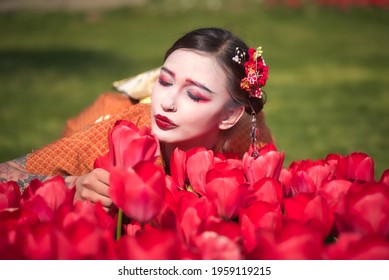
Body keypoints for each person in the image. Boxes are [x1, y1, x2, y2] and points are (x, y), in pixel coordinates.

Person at [0, 27, 274, 211]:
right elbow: (4, 174)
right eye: (164, 82)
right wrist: (74, 185)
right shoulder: (120, 137)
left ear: (229, 116)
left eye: (194, 95)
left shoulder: (248, 134)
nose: (166, 103)